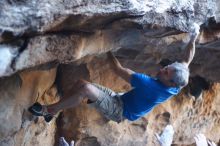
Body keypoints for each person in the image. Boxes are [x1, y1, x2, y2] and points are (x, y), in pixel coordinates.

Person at [28, 23, 200, 123]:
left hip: (120, 110)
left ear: (170, 83)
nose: (162, 69)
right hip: (120, 98)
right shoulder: (178, 80)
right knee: (81, 84)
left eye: (165, 73)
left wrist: (106, 46)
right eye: (166, 67)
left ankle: (48, 110)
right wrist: (194, 36)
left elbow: (118, 70)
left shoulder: (150, 86)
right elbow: (187, 59)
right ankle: (54, 110)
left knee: (85, 89)